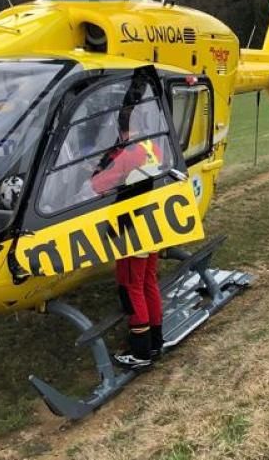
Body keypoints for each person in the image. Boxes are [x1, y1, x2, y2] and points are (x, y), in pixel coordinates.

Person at [90, 107, 165, 370]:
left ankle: (141, 352)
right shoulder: (151, 146)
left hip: (133, 230)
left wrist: (95, 170)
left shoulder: (125, 153)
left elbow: (98, 185)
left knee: (132, 287)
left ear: (118, 128)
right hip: (153, 224)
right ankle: (156, 341)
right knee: (148, 283)